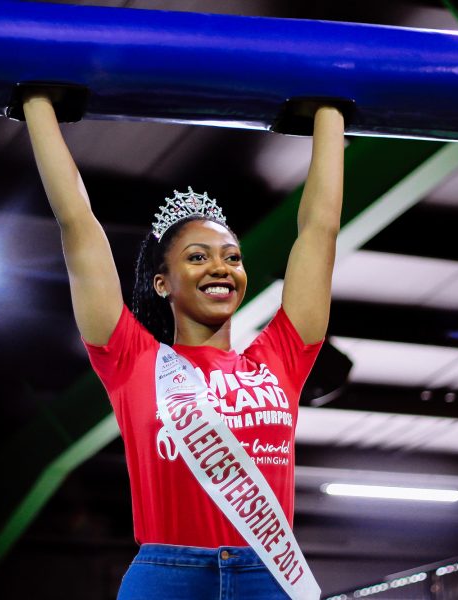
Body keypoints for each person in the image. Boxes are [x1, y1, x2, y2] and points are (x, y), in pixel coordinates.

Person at [22, 89, 345, 600]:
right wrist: (36, 103)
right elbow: (77, 224)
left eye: (232, 257)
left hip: (270, 573)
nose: (221, 267)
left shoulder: (282, 354)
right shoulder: (131, 359)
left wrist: (330, 112)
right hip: (167, 577)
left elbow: (320, 232)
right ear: (161, 282)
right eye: (198, 257)